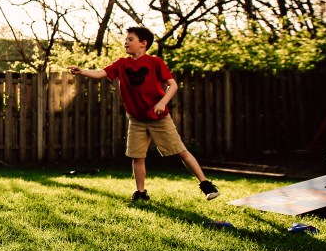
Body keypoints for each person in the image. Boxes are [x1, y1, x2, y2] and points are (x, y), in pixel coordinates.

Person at [68, 27, 220, 202]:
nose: (126, 42)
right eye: (126, 39)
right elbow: (101, 73)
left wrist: (162, 102)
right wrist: (82, 71)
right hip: (136, 119)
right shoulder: (121, 64)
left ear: (143, 43)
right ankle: (141, 192)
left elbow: (173, 85)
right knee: (137, 156)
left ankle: (206, 184)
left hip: (158, 118)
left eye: (130, 39)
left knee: (180, 151)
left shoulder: (155, 62)